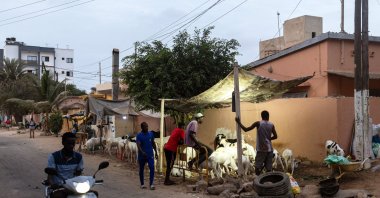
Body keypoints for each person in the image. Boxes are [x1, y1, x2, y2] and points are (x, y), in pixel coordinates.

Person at [235, 110, 278, 175]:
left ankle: (258, 180)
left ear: (261, 116)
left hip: (261, 149)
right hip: (270, 149)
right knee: (269, 169)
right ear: (268, 116)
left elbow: (246, 129)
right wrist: (269, 138)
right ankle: (268, 182)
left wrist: (238, 122)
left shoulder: (258, 123)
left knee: (257, 167)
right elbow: (275, 136)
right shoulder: (271, 125)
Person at [47, 132, 83, 198]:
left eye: (73, 143)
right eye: (69, 143)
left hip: (73, 187)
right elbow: (50, 177)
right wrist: (52, 184)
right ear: (63, 143)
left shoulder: (79, 157)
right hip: (58, 188)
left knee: (93, 194)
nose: (71, 146)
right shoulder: (54, 157)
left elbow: (79, 174)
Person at [136, 122, 158, 190]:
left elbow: (153, 143)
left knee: (152, 168)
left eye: (147, 126)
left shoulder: (151, 134)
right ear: (142, 128)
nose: (147, 128)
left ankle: (151, 184)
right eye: (145, 127)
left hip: (150, 154)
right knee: (141, 169)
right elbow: (138, 145)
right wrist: (142, 152)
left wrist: (156, 152)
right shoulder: (139, 135)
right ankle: (142, 184)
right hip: (142, 155)